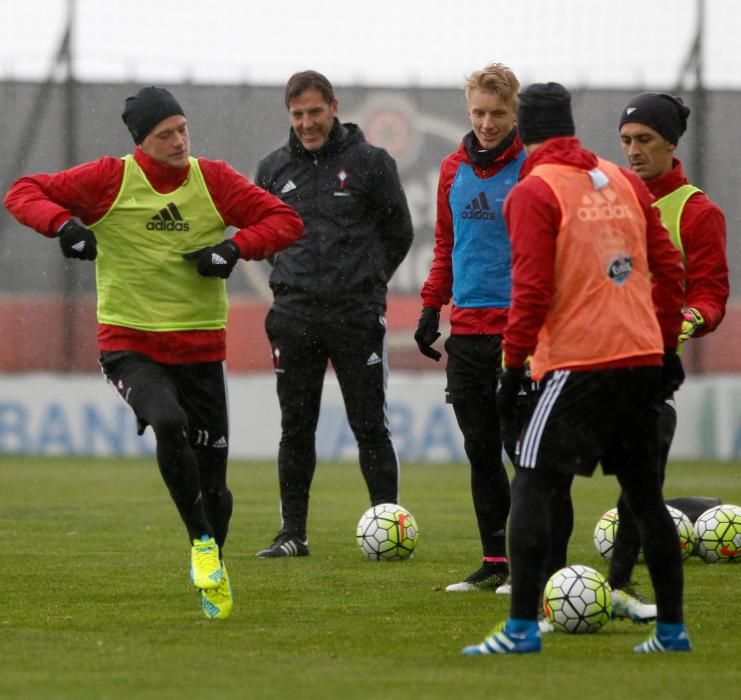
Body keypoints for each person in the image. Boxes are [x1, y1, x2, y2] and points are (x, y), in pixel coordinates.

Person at [4, 86, 304, 619]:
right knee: (168, 422)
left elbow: (285, 221)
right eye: (166, 134)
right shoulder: (110, 179)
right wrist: (66, 225)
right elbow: (24, 191)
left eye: (183, 129)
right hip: (129, 343)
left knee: (216, 488)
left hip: (201, 348)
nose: (179, 141)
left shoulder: (212, 179)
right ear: (142, 142)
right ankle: (203, 547)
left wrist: (232, 249)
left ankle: (207, 550)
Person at [462, 82, 691, 655]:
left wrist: (512, 372)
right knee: (645, 497)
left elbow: (531, 292)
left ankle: (519, 631)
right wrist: (664, 352)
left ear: (527, 132)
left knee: (533, 484)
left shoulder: (534, 191)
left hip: (577, 364)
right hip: (639, 361)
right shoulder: (623, 180)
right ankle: (671, 632)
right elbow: (666, 270)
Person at [254, 71, 414, 557]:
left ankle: (389, 531)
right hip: (294, 316)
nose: (306, 123)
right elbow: (264, 238)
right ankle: (292, 535)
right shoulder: (272, 169)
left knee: (370, 426)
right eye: (298, 114)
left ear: (334, 106)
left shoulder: (371, 162)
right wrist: (294, 277)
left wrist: (367, 282)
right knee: (295, 428)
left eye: (314, 112)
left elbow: (400, 233)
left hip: (355, 316)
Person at [607, 92, 729, 605]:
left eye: (644, 140)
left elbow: (711, 294)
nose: (633, 151)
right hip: (592, 357)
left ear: (671, 144)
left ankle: (619, 582)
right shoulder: (606, 197)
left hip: (651, 364)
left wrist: (687, 317)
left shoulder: (697, 212)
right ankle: (527, 574)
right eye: (626, 141)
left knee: (641, 476)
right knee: (543, 474)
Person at [414, 62, 524, 592]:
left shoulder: (532, 168)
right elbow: (445, 246)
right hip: (467, 333)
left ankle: (531, 561)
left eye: (497, 113)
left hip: (517, 332)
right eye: (478, 112)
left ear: (514, 111)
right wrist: (429, 308)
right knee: (479, 449)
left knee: (520, 450)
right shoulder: (451, 169)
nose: (486, 122)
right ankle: (495, 563)